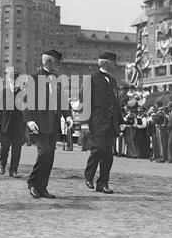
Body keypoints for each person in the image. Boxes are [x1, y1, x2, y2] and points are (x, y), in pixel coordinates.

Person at [23, 49, 73, 198]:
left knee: (50, 157)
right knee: (44, 154)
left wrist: (68, 116)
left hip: (54, 123)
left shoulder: (56, 79)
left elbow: (62, 100)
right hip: (40, 123)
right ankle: (33, 183)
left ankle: (42, 187)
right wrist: (29, 120)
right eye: (57, 62)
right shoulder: (33, 78)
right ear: (49, 61)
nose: (59, 65)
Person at [82, 52, 124, 194]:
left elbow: (115, 102)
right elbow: (86, 102)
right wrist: (85, 123)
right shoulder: (91, 79)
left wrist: (121, 121)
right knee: (98, 149)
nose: (115, 65)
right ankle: (89, 175)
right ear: (106, 63)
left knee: (108, 155)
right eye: (113, 62)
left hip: (111, 123)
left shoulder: (112, 81)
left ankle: (103, 183)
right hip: (97, 122)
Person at [0, 72, 24, 178]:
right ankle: (2, 165)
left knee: (17, 149)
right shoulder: (3, 92)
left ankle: (13, 170)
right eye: (12, 80)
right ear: (9, 81)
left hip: (18, 125)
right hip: (5, 125)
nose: (14, 83)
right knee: (4, 147)